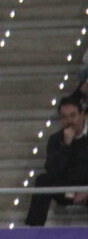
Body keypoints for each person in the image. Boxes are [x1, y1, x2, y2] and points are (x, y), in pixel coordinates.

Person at [26, 97, 88, 226]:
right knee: (43, 180)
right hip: (67, 192)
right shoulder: (55, 139)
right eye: (64, 117)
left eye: (73, 116)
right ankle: (34, 231)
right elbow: (52, 170)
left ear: (82, 115)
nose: (69, 121)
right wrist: (66, 145)